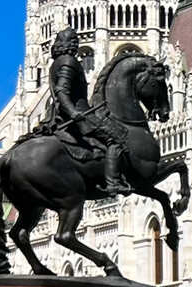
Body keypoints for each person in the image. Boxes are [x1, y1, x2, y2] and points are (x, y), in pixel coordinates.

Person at [47, 27, 131, 195]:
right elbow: (62, 91)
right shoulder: (68, 62)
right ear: (70, 44)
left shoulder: (56, 63)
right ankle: (113, 182)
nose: (77, 43)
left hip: (61, 114)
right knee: (116, 138)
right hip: (79, 114)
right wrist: (73, 112)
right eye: (74, 41)